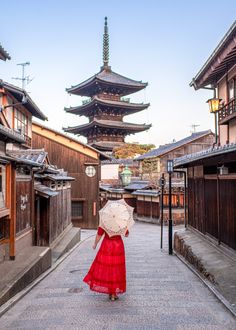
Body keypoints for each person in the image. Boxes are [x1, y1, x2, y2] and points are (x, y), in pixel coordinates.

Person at [83, 226, 129, 301]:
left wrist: (95, 244)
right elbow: (126, 234)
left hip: (107, 245)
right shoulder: (120, 222)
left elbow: (99, 234)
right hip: (118, 246)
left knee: (108, 267)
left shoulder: (105, 221)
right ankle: (113, 293)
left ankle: (111, 291)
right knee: (116, 268)